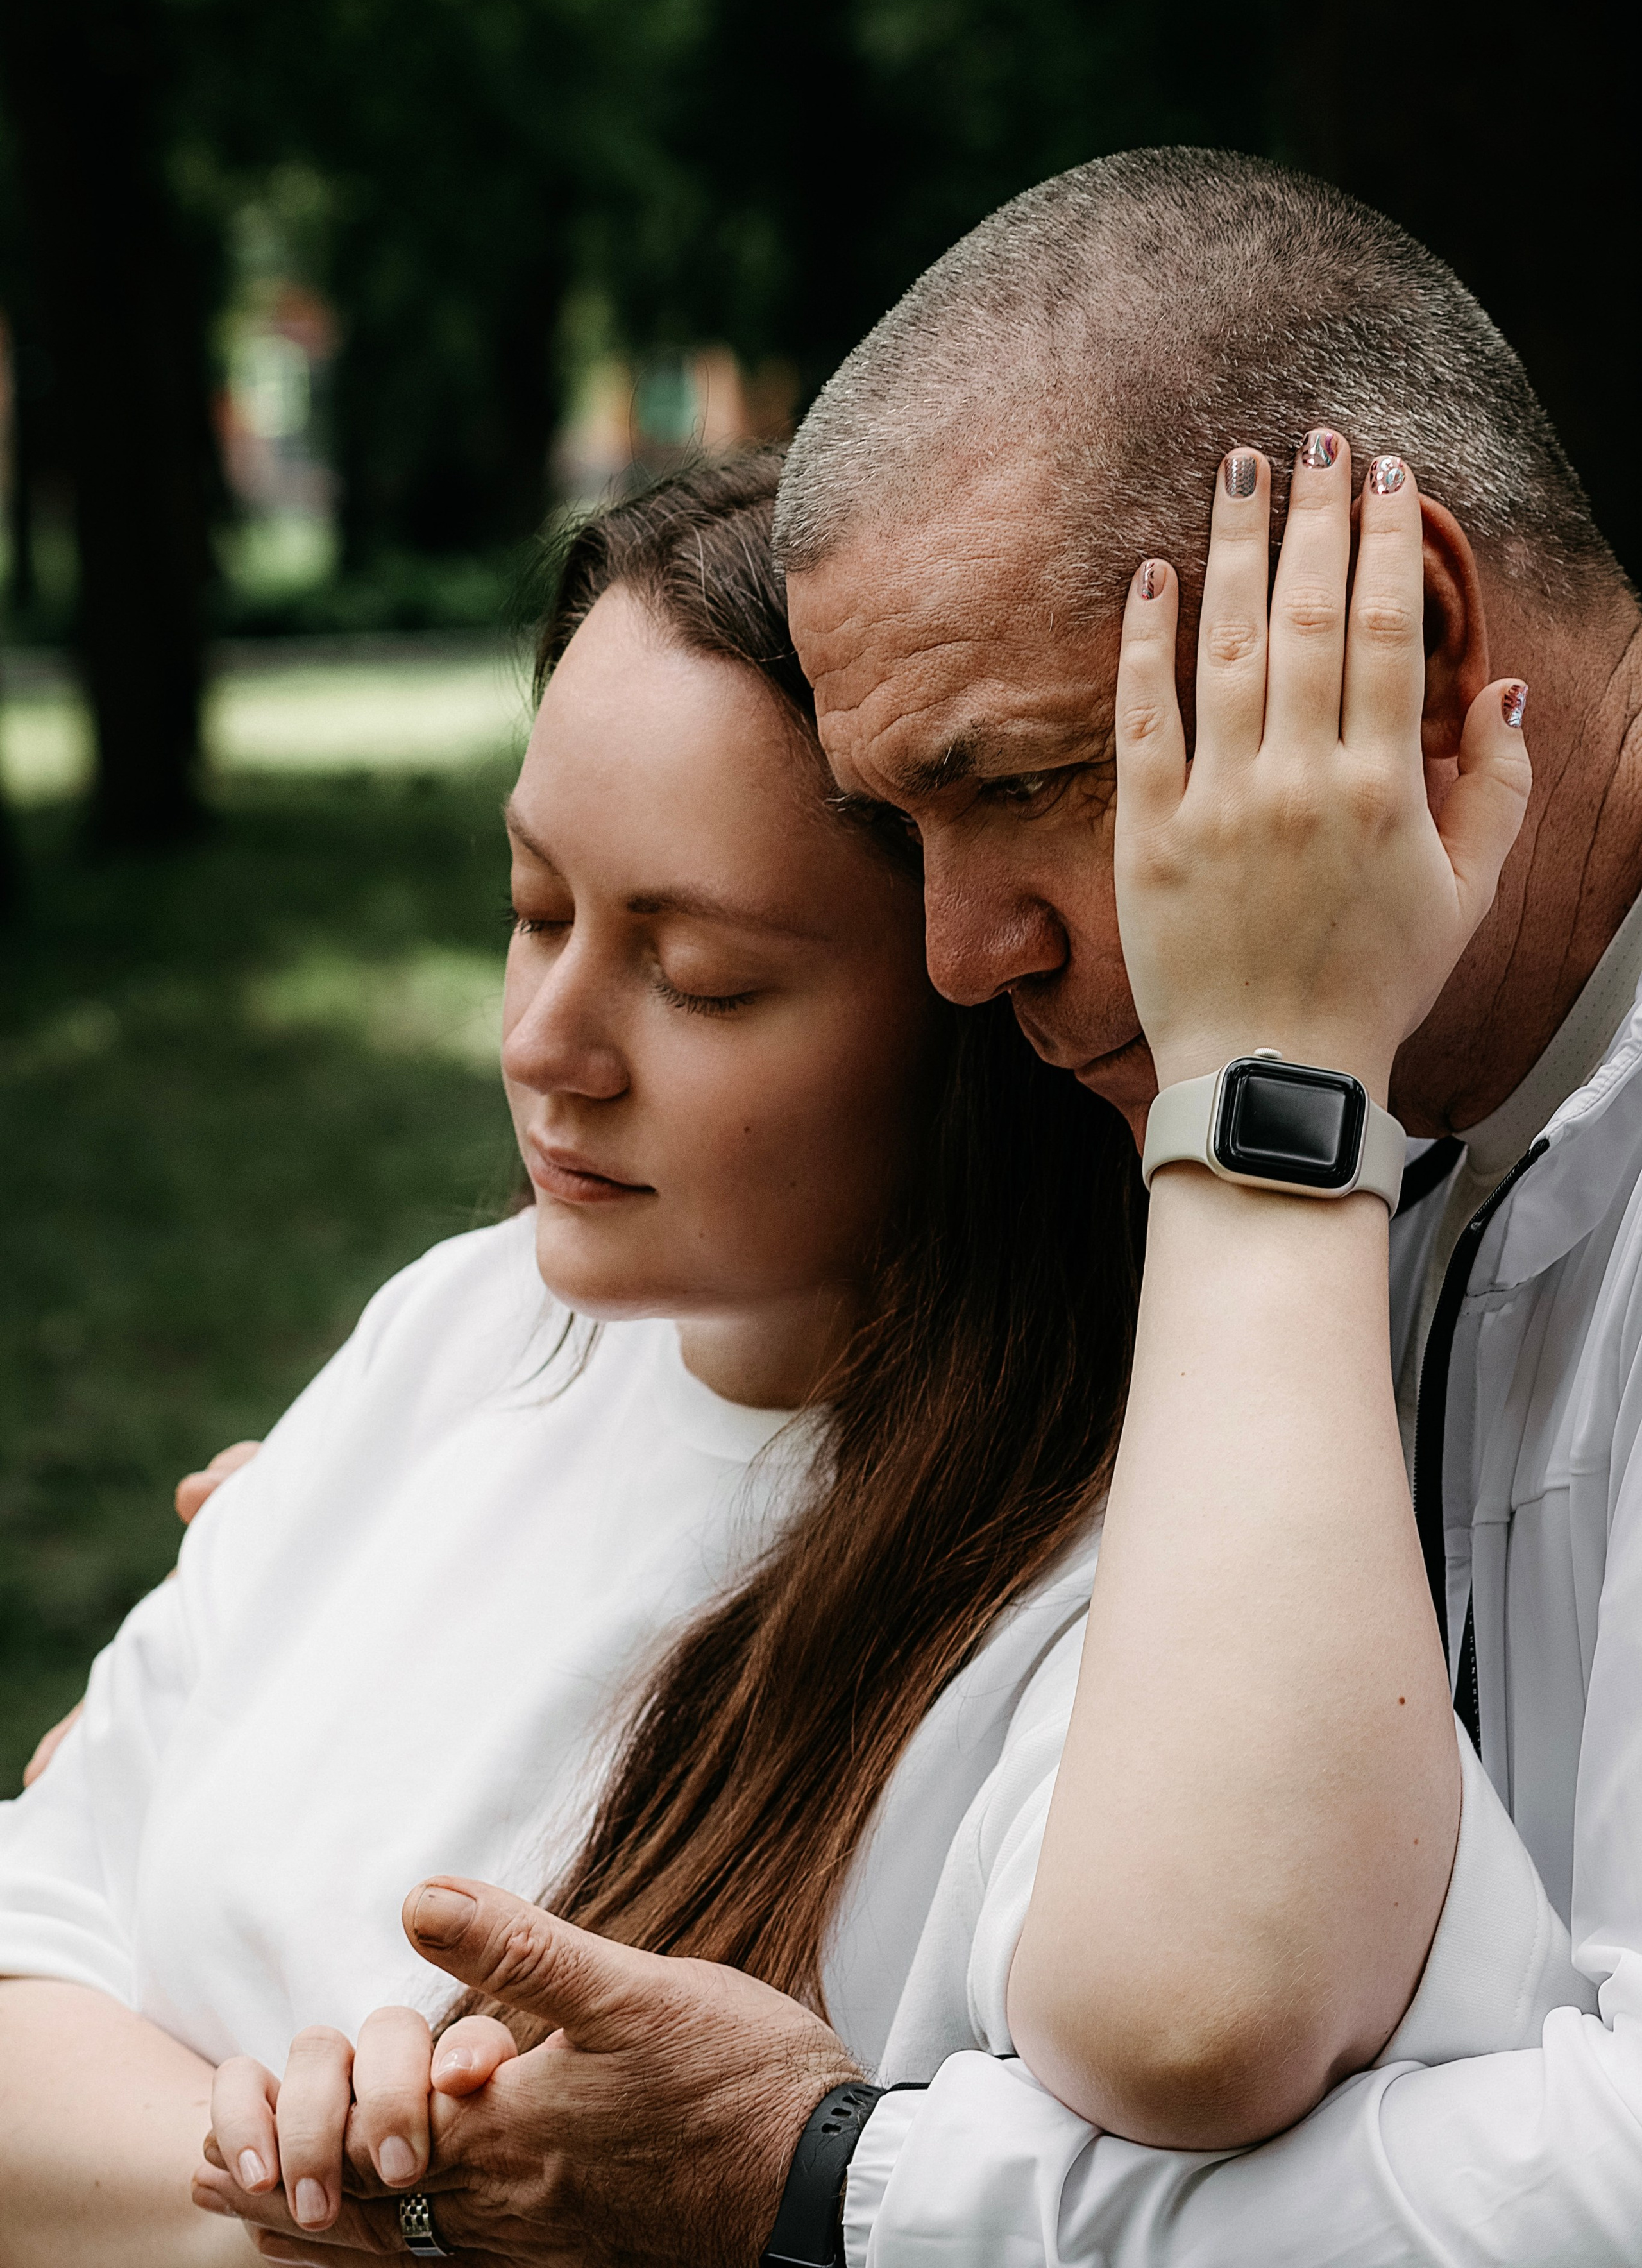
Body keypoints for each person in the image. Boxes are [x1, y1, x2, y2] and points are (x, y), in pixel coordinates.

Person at [187, 148, 1642, 2268]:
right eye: (900, 827)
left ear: (1401, 652)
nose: (960, 953)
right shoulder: (1375, 1089)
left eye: (1025, 783)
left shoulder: (1302, 1083)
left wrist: (828, 2186)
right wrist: (374, 1569)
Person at [0, 453, 1149, 2267]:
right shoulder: (463, 1325)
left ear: (985, 1005)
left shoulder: (1103, 1624)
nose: (546, 1045)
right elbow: (26, 1947)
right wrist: (344, 2229)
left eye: (696, 975)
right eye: (536, 908)